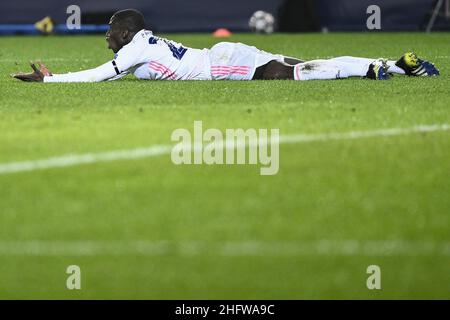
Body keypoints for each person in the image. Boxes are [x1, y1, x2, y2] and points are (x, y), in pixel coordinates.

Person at [12, 9, 440, 83]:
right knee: (311, 62)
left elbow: (100, 75)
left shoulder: (131, 49)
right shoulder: (142, 42)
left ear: (125, 33)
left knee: (298, 74)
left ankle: (371, 70)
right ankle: (393, 64)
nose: (106, 36)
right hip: (224, 53)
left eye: (110, 31)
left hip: (221, 66)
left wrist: (51, 80)